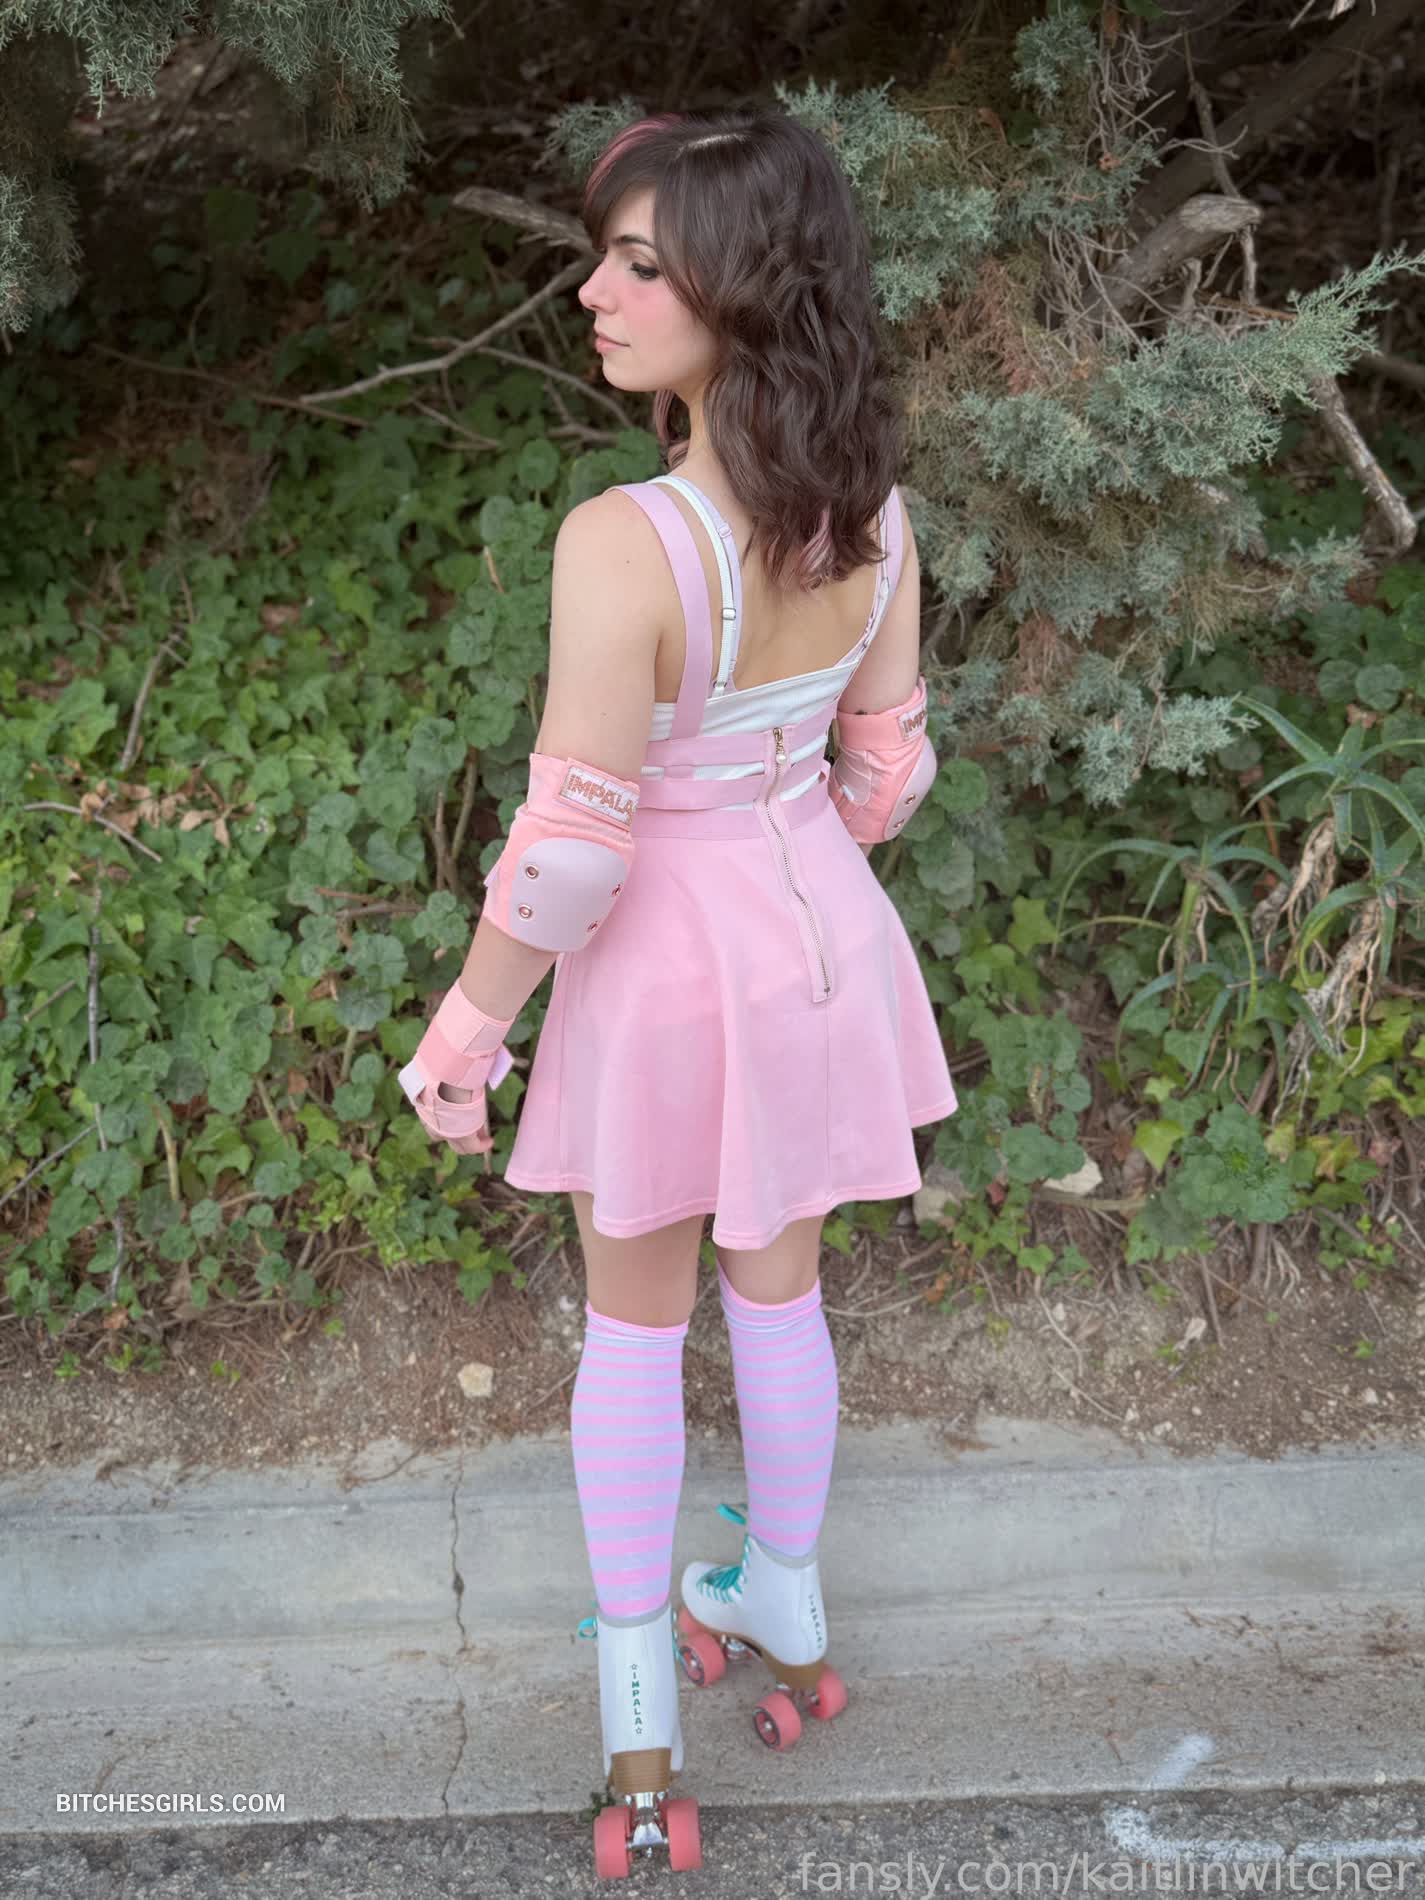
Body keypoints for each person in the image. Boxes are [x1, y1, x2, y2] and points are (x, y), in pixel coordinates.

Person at [396, 105, 958, 1875]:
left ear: (744, 292)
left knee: (634, 1332)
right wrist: (789, 869)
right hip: (818, 943)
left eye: (640, 266)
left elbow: (572, 851)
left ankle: (640, 1723)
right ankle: (784, 1603)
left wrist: (466, 1034)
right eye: (606, 258)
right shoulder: (871, 513)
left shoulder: (624, 539)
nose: (594, 292)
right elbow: (889, 771)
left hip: (658, 965)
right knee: (778, 1293)